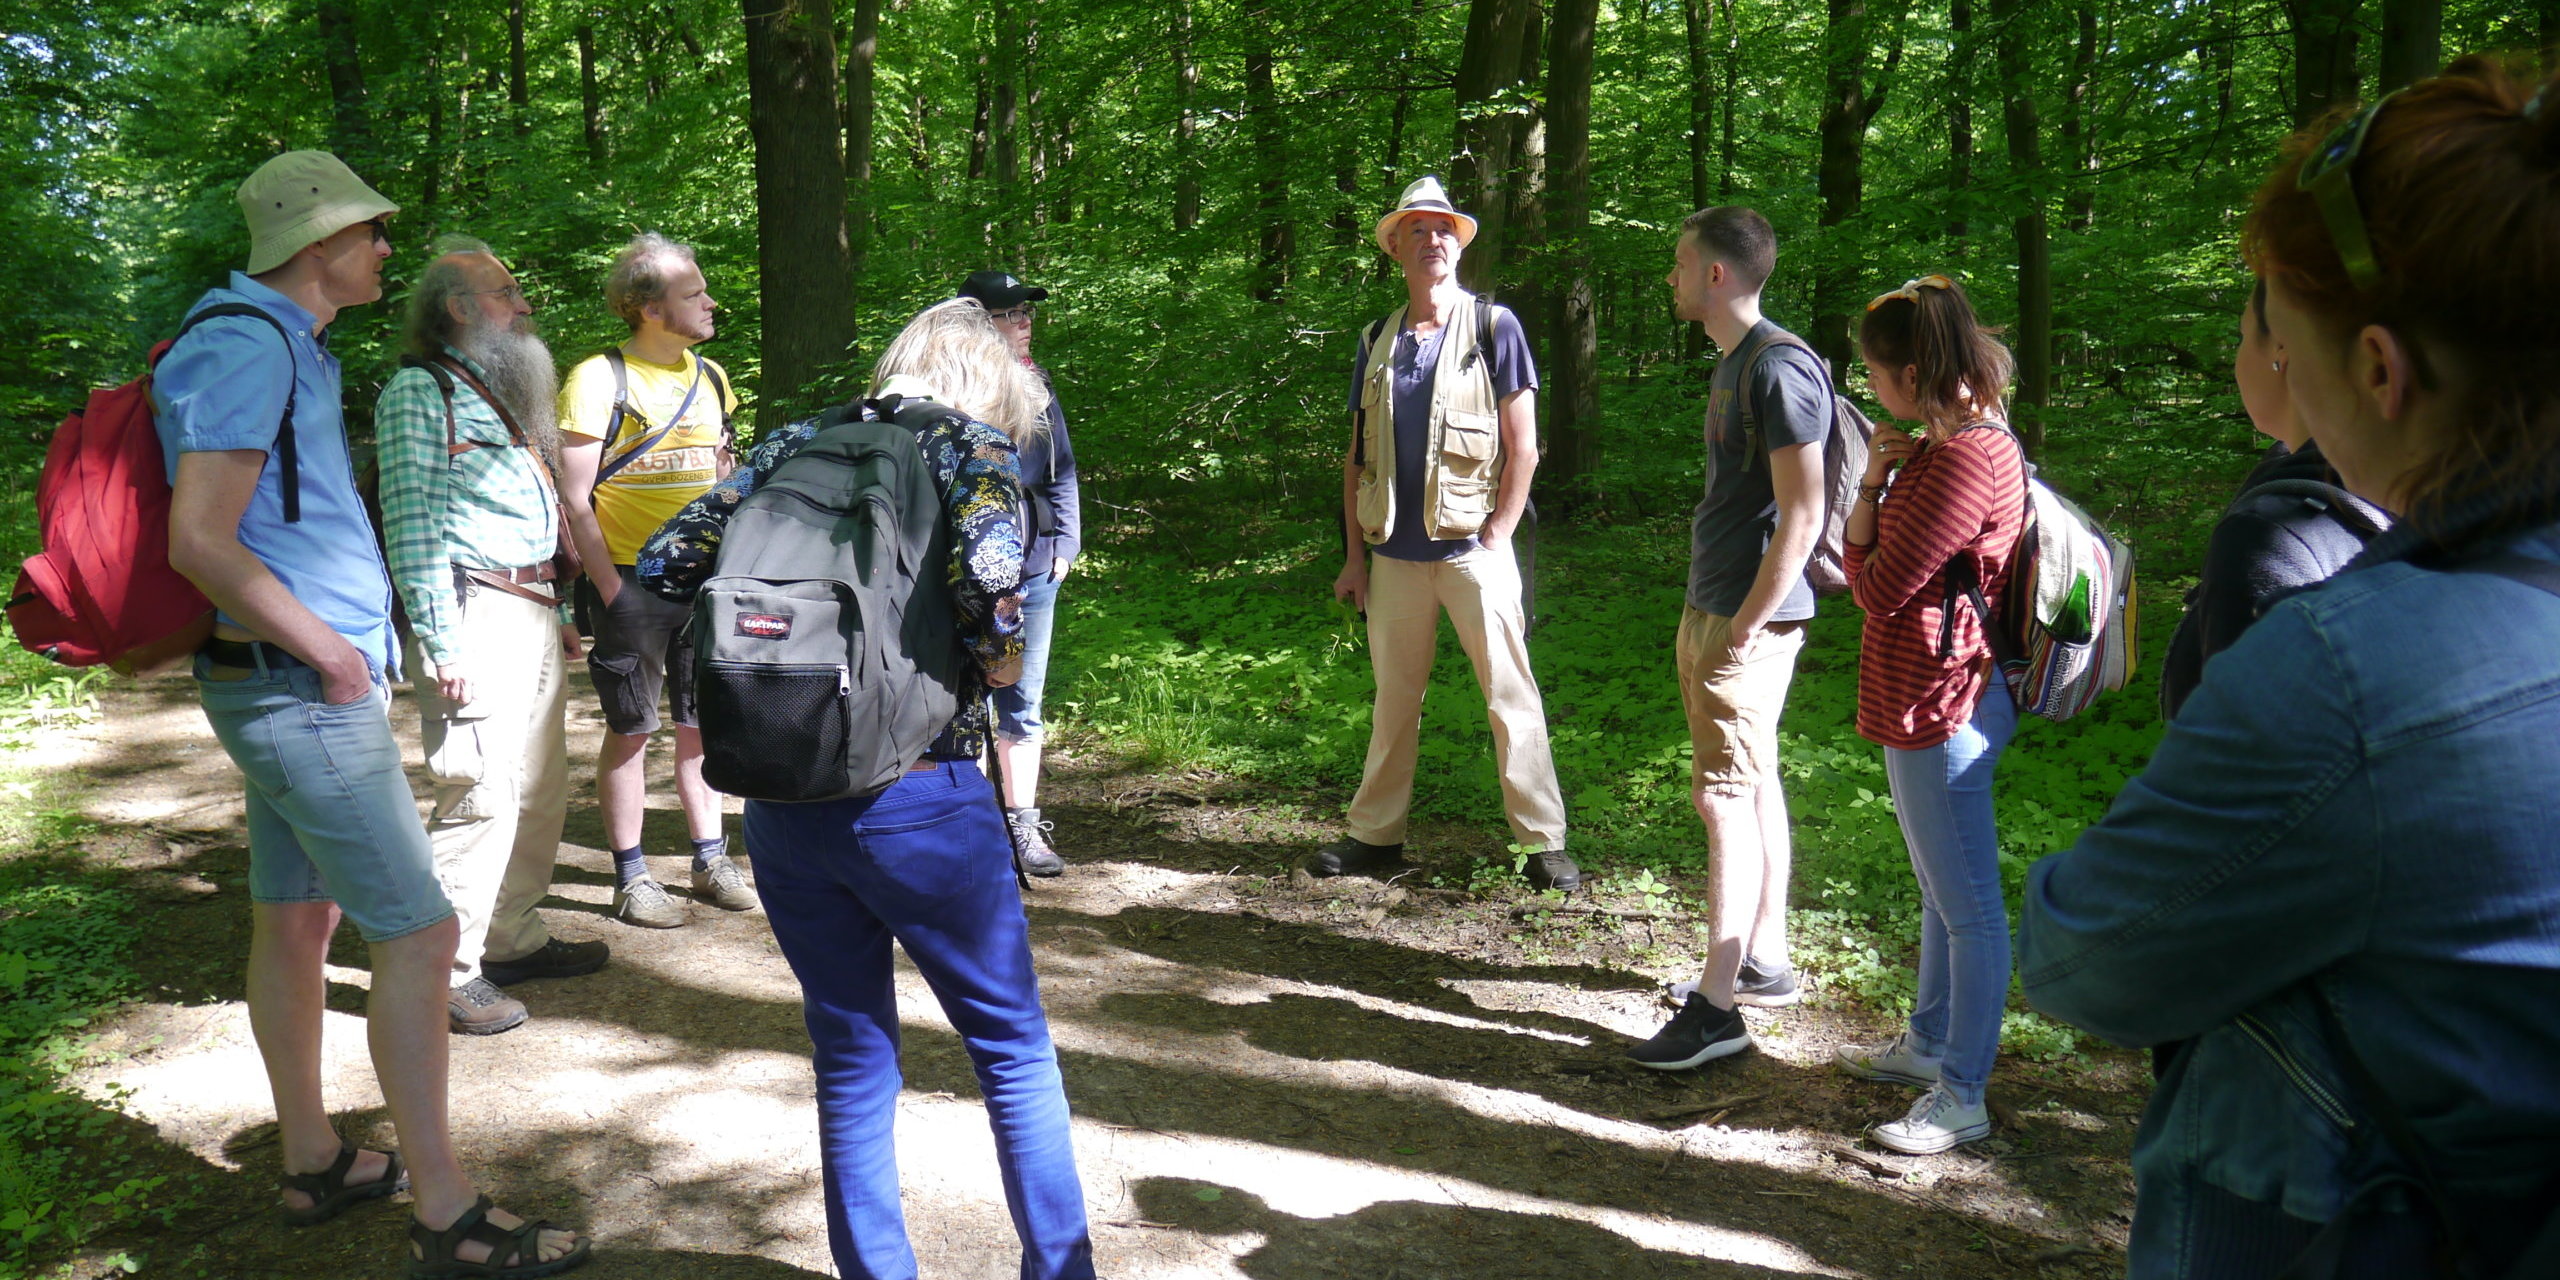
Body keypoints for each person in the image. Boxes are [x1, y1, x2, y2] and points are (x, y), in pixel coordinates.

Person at [2021, 57, 2560, 1276]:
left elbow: (2083, 953)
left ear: (2376, 367)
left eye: (2276, 330)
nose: (2269, 365)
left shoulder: (2349, 673)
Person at [158, 151, 586, 1277]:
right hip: (295, 684)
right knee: (423, 932)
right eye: (372, 231)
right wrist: (336, 654)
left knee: (298, 922)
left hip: (284, 680)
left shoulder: (288, 342)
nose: (387, 249)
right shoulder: (246, 344)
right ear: (318, 243)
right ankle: (447, 1214)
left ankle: (314, 1160)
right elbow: (198, 537)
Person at [635, 298, 1095, 1280]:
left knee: (849, 1054)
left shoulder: (796, 440)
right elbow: (993, 590)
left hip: (784, 794)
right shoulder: (970, 448)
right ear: (986, 384)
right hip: (922, 798)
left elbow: (667, 560)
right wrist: (1000, 668)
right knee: (1011, 1050)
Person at [1313, 175, 1579, 892]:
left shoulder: (1495, 326)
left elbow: (1524, 447)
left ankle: (1542, 842)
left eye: (1443, 230)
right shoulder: (1376, 339)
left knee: (1510, 695)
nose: (1432, 240)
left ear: (1458, 246)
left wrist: (1499, 535)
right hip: (1393, 557)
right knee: (1394, 699)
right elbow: (1357, 457)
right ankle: (1375, 837)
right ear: (1395, 247)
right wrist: (1354, 559)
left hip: (1472, 551)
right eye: (1417, 230)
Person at [376, 238, 608, 1037]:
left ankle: (509, 936)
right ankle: (445, 971)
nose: (524, 305)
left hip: (530, 607)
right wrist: (443, 645)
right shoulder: (420, 391)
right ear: (459, 308)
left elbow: (528, 510)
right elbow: (411, 524)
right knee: (478, 791)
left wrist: (560, 610)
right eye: (507, 293)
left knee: (539, 787)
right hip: (473, 612)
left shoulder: (493, 391)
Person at [1824, 275, 2027, 1155]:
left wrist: (1870, 499)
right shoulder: (1947, 446)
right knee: (1942, 894)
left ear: (1910, 373)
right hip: (1924, 693)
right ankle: (1929, 1045)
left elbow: (1873, 586)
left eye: (1874, 374)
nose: (1871, 389)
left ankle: (1962, 1093)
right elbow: (1871, 571)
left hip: (1945, 703)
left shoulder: (1965, 460)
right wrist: (1875, 478)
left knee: (1970, 910)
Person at [1626, 207, 1830, 1073]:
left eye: (1680, 263)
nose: (1671, 277)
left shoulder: (1778, 368)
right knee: (1752, 781)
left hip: (1747, 617)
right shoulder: (1734, 362)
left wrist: (1746, 625)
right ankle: (1763, 959)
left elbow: (1805, 511)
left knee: (1723, 796)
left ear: (1716, 273)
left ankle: (1716, 1010)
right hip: (1715, 606)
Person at [556, 232, 751, 928]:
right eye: (693, 293)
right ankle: (632, 876)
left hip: (705, 583)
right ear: (649, 308)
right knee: (632, 727)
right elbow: (573, 497)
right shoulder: (597, 380)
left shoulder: (712, 377)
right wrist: (611, 590)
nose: (710, 301)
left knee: (701, 723)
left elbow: (723, 475)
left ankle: (710, 859)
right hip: (631, 581)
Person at [2156, 281, 2387, 719]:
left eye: (2244, 336)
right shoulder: (2409, 481)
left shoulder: (2269, 537)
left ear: (2282, 347)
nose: (2237, 359)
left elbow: (2244, 749)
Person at [958, 268, 1082, 878]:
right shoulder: (953, 391)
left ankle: (1023, 825)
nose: (1024, 322)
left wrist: (1067, 542)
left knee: (1023, 700)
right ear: (976, 324)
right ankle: (969, 827)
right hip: (966, 570)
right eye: (1009, 314)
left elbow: (1062, 471)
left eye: (1026, 312)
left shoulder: (1039, 383)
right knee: (961, 696)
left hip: (1034, 566)